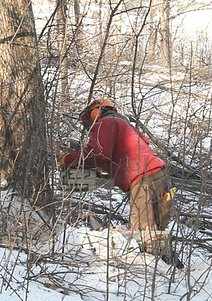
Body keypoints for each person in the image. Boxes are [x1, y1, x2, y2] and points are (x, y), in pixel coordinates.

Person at [60, 98, 183, 268]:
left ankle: (155, 276)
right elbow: (118, 155)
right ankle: (175, 270)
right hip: (163, 177)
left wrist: (69, 159)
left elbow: (99, 153)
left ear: (96, 110)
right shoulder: (126, 125)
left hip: (143, 180)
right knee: (158, 230)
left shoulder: (105, 123)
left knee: (143, 234)